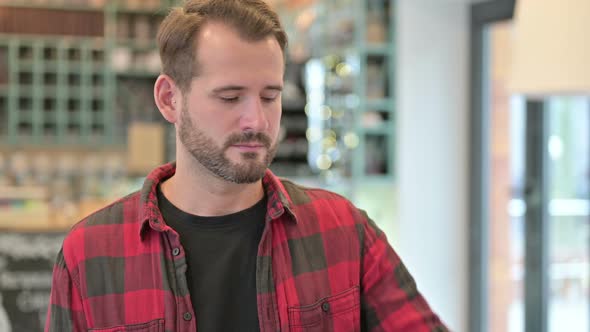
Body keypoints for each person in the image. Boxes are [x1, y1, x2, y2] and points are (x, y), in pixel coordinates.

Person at [45, 0, 449, 331]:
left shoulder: (343, 232)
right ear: (170, 99)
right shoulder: (91, 255)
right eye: (230, 96)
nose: (256, 121)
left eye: (270, 96)